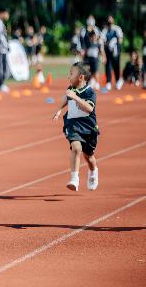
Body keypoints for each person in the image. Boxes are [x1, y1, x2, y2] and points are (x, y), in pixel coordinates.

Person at [52, 62, 99, 191]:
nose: (68, 76)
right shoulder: (71, 89)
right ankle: (74, 179)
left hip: (88, 128)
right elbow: (66, 98)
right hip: (73, 124)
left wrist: (76, 97)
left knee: (89, 157)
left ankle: (93, 171)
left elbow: (89, 108)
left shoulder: (90, 92)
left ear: (81, 77)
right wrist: (59, 110)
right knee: (76, 148)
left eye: (71, 74)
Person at [102, 15, 124, 90]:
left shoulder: (117, 29)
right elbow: (102, 41)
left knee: (116, 66)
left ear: (113, 20)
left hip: (115, 51)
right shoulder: (105, 30)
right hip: (108, 51)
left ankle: (118, 80)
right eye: (108, 19)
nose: (110, 21)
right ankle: (108, 82)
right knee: (108, 66)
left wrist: (115, 44)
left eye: (111, 19)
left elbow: (120, 40)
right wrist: (108, 44)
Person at [0, 9, 10, 93]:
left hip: (3, 48)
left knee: (3, 66)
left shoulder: (1, 22)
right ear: (2, 13)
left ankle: (0, 84)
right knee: (0, 66)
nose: (7, 16)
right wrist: (6, 45)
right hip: (0, 48)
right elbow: (0, 35)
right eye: (6, 14)